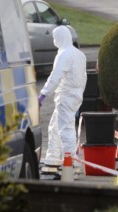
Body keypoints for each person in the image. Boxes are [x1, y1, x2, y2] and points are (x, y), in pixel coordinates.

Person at [38, 26, 87, 166]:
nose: (54, 40)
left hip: (66, 96)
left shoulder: (64, 54)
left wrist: (43, 94)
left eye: (55, 37)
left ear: (59, 38)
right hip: (74, 95)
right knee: (55, 126)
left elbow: (55, 77)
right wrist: (79, 94)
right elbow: (84, 77)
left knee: (65, 128)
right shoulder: (79, 54)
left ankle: (70, 160)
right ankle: (53, 156)